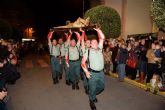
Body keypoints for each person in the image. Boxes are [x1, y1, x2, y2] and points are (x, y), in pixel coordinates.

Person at [81, 28, 105, 110]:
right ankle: (91, 100)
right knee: (92, 88)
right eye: (94, 42)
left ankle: (92, 94)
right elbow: (83, 63)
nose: (96, 43)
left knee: (101, 87)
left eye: (96, 42)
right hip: (92, 74)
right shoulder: (88, 51)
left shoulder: (100, 49)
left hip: (101, 73)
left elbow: (102, 38)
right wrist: (86, 72)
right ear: (90, 44)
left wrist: (98, 30)